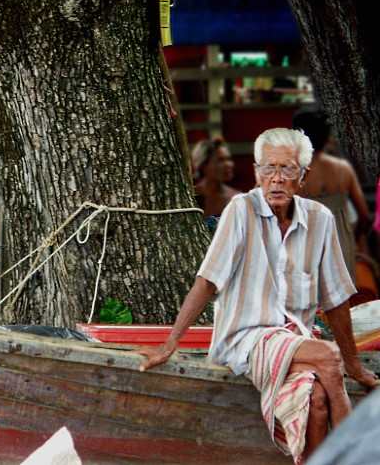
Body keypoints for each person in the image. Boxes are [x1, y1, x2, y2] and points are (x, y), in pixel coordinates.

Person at [139, 128, 379, 464]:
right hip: (246, 338)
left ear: (303, 176)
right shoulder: (241, 210)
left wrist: (353, 360)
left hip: (294, 337)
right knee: (330, 358)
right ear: (256, 172)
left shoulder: (320, 219)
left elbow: (336, 300)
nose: (276, 179)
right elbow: (207, 282)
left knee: (317, 400)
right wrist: (170, 343)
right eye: (268, 169)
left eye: (287, 169)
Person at [292, 108, 372, 282]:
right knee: (341, 304)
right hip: (341, 249)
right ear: (327, 137)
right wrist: (353, 240)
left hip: (302, 251)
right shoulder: (343, 169)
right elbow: (364, 216)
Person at [192, 136, 240, 216]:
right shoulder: (192, 196)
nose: (228, 164)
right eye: (220, 160)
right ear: (203, 165)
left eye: (228, 159)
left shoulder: (236, 198)